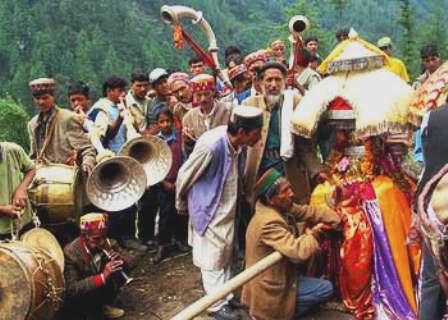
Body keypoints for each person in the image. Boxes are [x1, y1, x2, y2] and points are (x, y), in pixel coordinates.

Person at [176, 106, 264, 320]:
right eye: (256, 133)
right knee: (212, 258)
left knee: (225, 253)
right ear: (242, 132)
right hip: (209, 207)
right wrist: (180, 203)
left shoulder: (238, 144)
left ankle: (225, 295)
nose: (259, 137)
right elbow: (184, 175)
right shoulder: (211, 146)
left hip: (228, 205)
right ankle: (216, 305)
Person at [242, 169, 340, 319]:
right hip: (271, 289)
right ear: (271, 199)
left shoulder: (278, 206)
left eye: (289, 188)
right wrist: (315, 233)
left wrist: (335, 217)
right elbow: (298, 252)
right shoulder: (268, 222)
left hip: (282, 274)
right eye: (285, 191)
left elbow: (307, 211)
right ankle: (279, 314)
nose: (291, 194)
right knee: (325, 289)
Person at [242, 62, 322, 205]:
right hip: (259, 171)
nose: (273, 85)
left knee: (294, 213)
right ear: (260, 83)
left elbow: (306, 145)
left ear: (285, 81)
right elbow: (240, 145)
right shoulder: (249, 105)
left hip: (288, 169)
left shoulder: (295, 103)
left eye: (278, 80)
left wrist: (316, 171)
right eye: (269, 80)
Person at [89, 76, 145, 251]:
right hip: (110, 161)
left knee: (129, 199)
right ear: (109, 91)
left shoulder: (118, 106)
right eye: (119, 91)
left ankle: (128, 236)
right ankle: (118, 239)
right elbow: (104, 136)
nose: (122, 94)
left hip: (124, 158)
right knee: (116, 202)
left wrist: (128, 117)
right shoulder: (101, 109)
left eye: (123, 90)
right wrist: (121, 118)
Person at [61, 213, 130, 319]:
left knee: (118, 273)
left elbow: (132, 260)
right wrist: (103, 277)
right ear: (84, 237)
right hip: (82, 299)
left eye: (104, 237)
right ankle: (91, 311)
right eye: (96, 239)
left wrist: (122, 260)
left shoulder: (108, 243)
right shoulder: (70, 252)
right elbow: (71, 289)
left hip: (100, 293)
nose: (102, 242)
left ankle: (103, 305)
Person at [28, 78, 95, 173]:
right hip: (42, 175)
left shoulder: (68, 118)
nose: (41, 102)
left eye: (45, 98)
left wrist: (87, 163)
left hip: (66, 175)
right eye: (37, 99)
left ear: (53, 97)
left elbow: (87, 148)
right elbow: (33, 155)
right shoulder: (32, 124)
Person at [153, 108, 189, 263]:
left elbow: (185, 160)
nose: (165, 124)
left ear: (173, 122)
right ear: (157, 124)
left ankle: (180, 239)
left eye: (168, 121)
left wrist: (180, 180)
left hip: (178, 181)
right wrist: (163, 182)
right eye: (162, 121)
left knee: (180, 211)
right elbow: (152, 164)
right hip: (163, 183)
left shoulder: (179, 139)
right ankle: (162, 244)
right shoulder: (155, 142)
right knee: (165, 213)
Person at [181, 74, 230, 156]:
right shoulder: (188, 118)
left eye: (206, 94)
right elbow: (187, 152)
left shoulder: (227, 111)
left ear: (213, 92)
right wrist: (187, 142)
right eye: (199, 95)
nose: (203, 99)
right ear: (194, 95)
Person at [0, 142, 36, 240]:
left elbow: (31, 169)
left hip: (25, 224)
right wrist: (2, 209)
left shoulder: (13, 150)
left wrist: (21, 189)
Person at [146, 68, 171, 134]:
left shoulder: (176, 98)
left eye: (165, 81)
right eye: (160, 83)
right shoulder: (153, 107)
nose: (164, 85)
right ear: (154, 87)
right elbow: (154, 130)